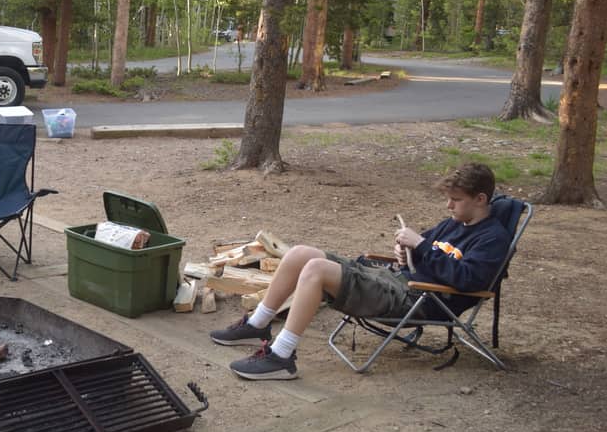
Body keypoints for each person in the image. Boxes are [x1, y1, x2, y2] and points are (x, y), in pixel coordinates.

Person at [209, 162, 510, 380]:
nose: (448, 206)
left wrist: (420, 246)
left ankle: (281, 357)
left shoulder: (493, 239)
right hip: (395, 279)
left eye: (456, 200)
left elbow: (469, 281)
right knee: (300, 253)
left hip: (418, 299)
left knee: (315, 269)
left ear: (480, 199)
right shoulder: (453, 224)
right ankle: (258, 323)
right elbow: (424, 256)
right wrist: (405, 254)